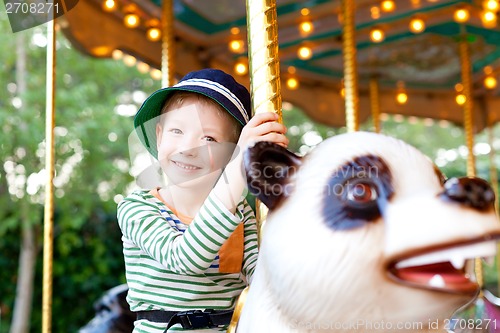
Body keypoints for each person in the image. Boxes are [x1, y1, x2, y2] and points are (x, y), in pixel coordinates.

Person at [117, 68, 288, 332]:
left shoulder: (239, 212)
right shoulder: (137, 208)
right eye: (177, 131)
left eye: (209, 138)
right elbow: (183, 259)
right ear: (159, 135)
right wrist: (237, 172)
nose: (188, 148)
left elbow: (265, 280)